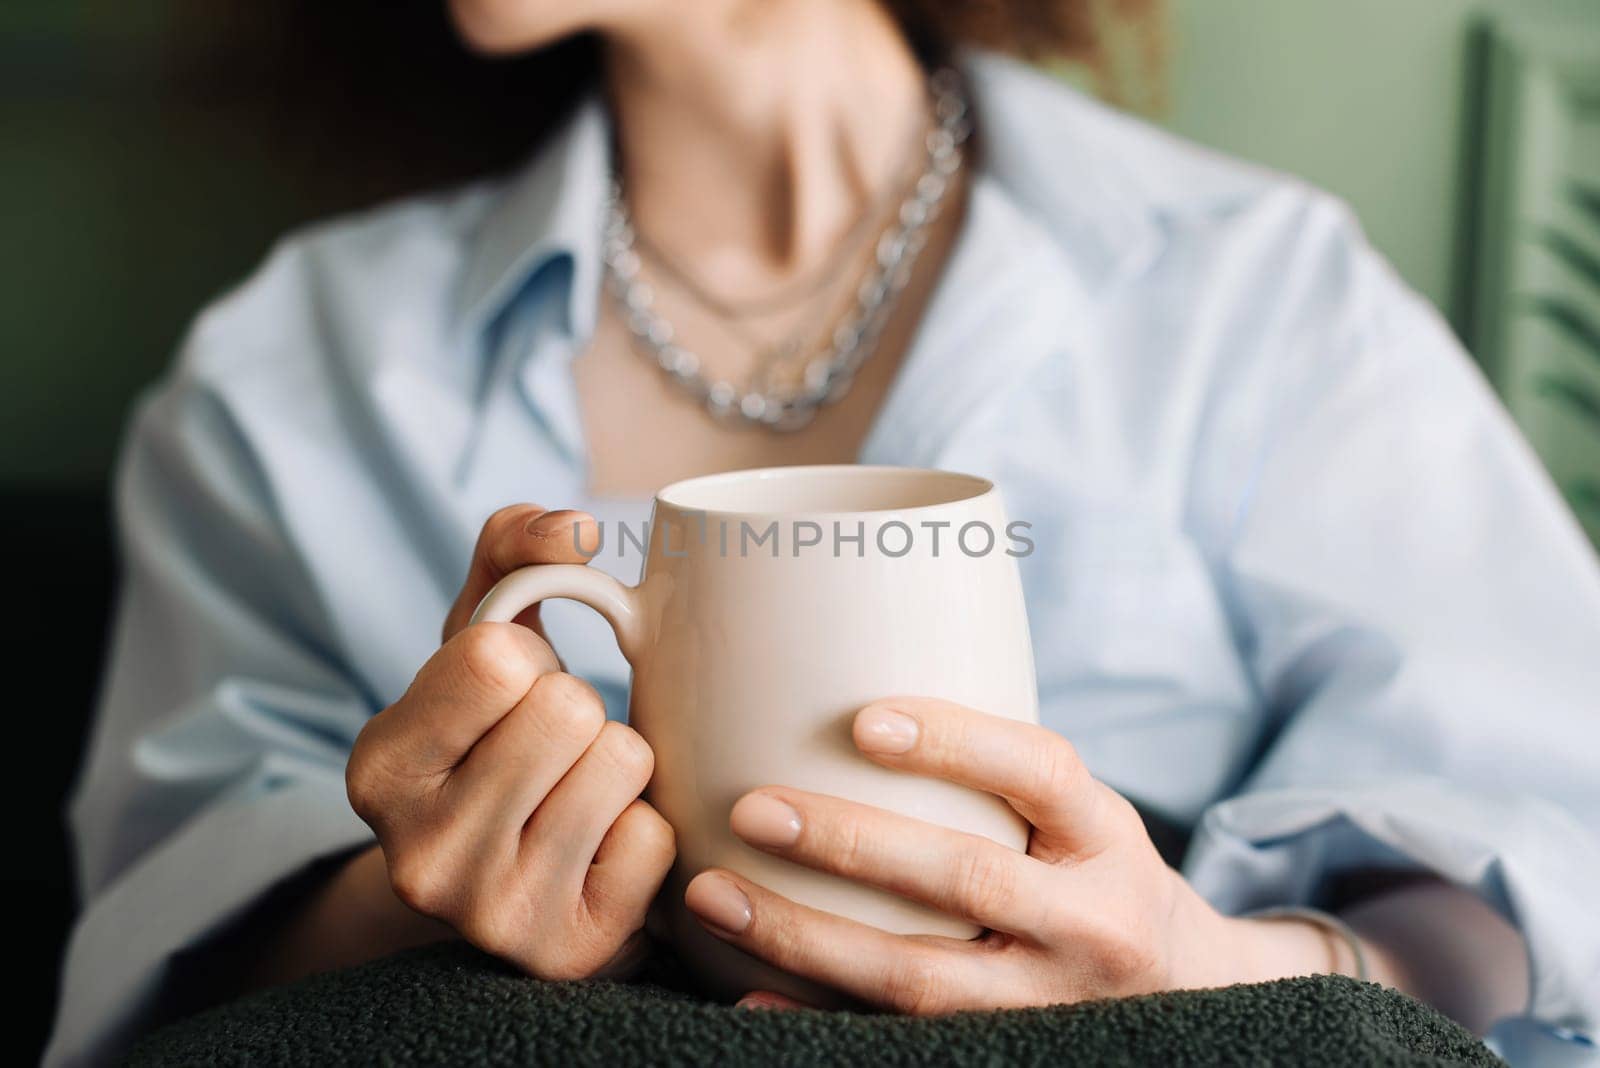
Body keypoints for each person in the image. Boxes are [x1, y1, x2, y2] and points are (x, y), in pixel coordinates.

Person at [47, 1, 1600, 1064]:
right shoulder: (284, 369)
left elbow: (1550, 828)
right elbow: (170, 945)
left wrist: (1227, 966)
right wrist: (413, 891)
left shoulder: (1249, 293)